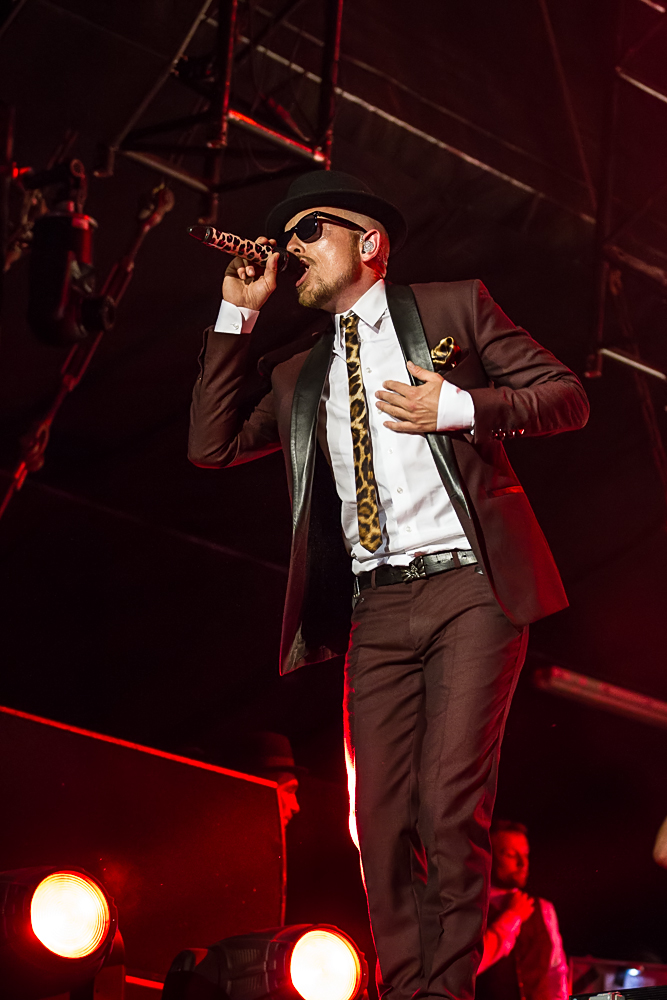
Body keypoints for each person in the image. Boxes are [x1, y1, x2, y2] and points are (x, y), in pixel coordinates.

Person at [188, 170, 589, 1000]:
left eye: (309, 230)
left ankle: (443, 994)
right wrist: (237, 314)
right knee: (376, 821)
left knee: (446, 804)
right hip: (375, 605)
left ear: (368, 243)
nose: (292, 247)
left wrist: (461, 408)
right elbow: (210, 445)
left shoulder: (452, 308)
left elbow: (565, 398)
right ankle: (407, 991)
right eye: (286, 238)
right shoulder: (299, 372)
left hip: (470, 586)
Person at [477, 821, 568, 1000]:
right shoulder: (469, 906)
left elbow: (555, 973)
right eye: (511, 855)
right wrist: (512, 917)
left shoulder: (543, 909)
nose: (523, 863)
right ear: (488, 856)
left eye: (526, 854)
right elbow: (464, 968)